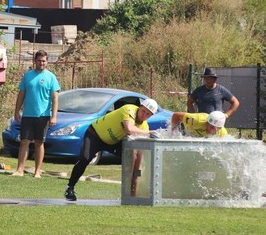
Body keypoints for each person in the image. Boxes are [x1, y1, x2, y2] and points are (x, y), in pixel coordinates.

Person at [65, 99, 159, 201]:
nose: (144, 115)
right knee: (85, 158)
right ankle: (70, 187)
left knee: (133, 162)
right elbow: (129, 129)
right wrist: (149, 133)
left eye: (147, 114)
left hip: (112, 142)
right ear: (139, 107)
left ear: (151, 116)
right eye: (143, 111)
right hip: (95, 135)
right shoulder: (129, 109)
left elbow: (140, 149)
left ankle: (131, 193)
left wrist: (138, 164)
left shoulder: (144, 126)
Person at [13, 50, 60, 178]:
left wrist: (54, 116)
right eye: (39, 60)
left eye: (44, 61)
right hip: (28, 115)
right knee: (24, 141)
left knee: (39, 142)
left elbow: (55, 98)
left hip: (43, 116)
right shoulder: (28, 76)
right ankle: (19, 170)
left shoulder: (51, 77)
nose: (41, 63)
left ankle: (37, 171)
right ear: (35, 61)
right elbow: (21, 95)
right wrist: (16, 111)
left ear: (47, 62)